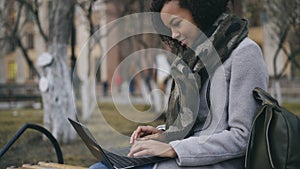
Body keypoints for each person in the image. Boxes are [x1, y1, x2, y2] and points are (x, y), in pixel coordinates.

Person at [89, 0, 269, 168]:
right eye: (169, 28)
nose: (173, 35)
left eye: (176, 23)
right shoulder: (193, 58)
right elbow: (197, 124)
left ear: (200, 12)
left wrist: (174, 148)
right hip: (186, 157)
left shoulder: (244, 53)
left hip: (216, 163)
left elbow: (244, 137)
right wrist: (163, 134)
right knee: (103, 165)